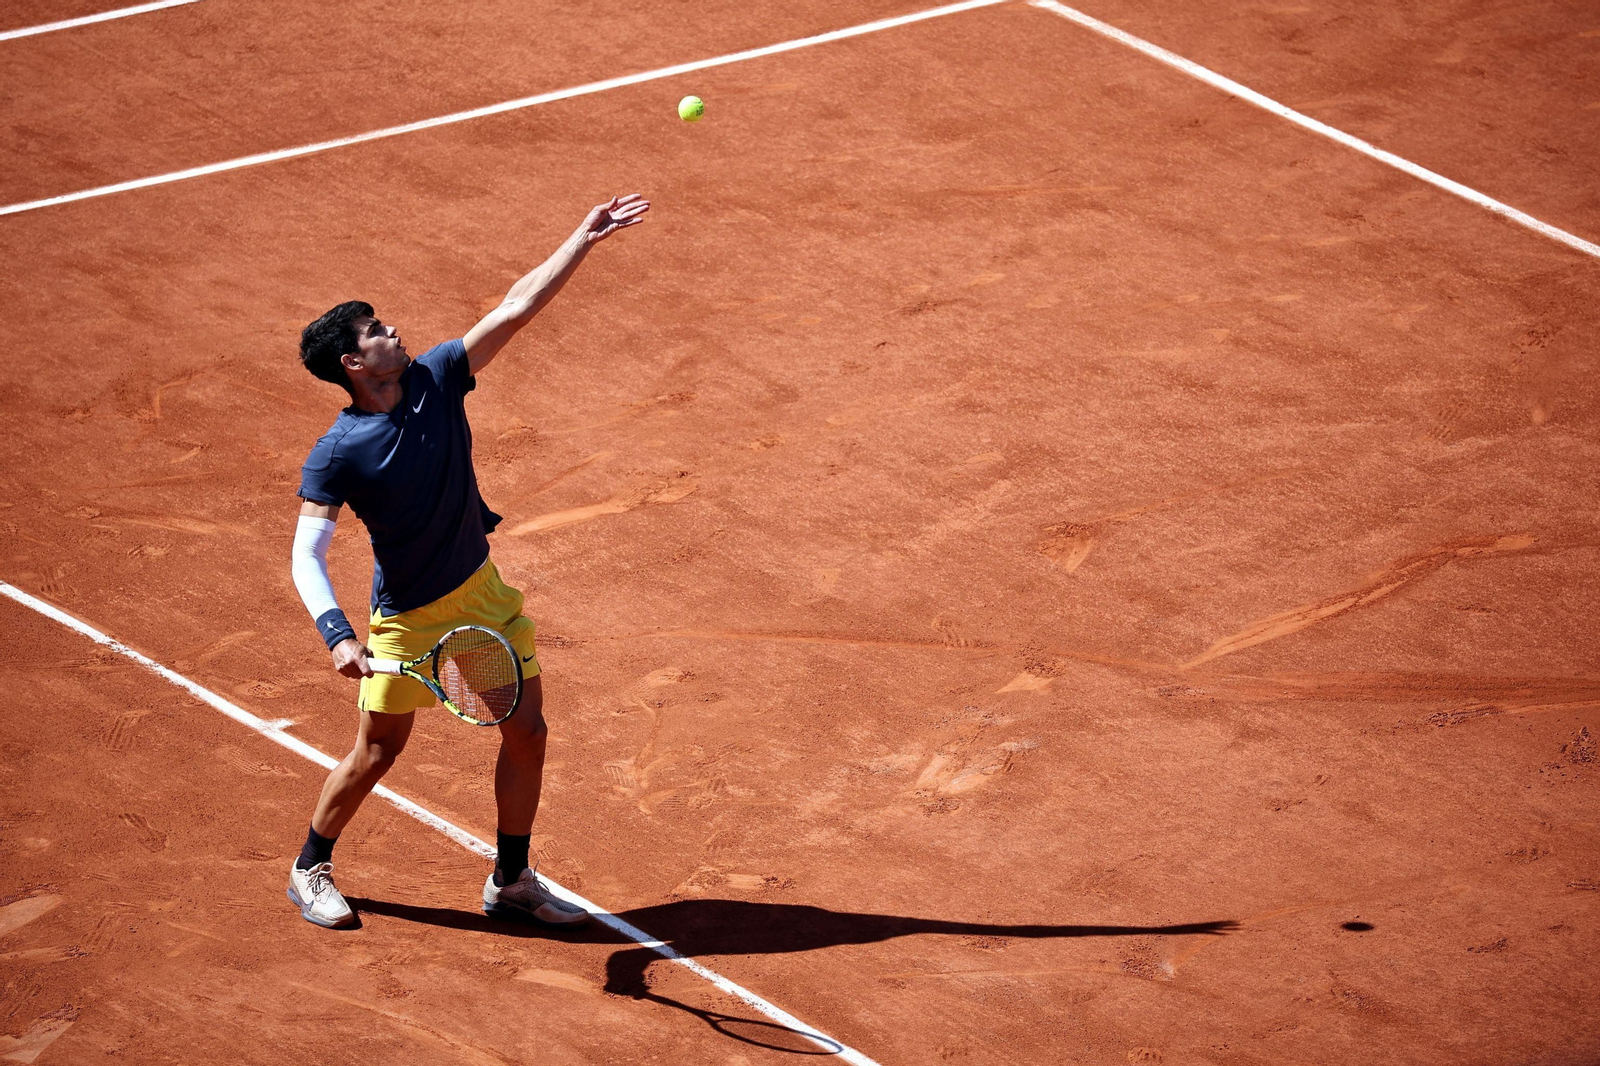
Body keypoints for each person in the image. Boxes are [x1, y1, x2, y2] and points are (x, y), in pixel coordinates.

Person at [285, 194, 649, 928]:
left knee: (528, 731)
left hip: (480, 597)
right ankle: (309, 867)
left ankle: (511, 878)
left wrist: (582, 236)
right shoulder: (337, 451)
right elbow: (306, 552)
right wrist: (338, 635)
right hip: (408, 620)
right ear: (355, 364)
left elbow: (515, 308)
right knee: (378, 752)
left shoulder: (437, 377)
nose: (395, 330)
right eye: (377, 330)